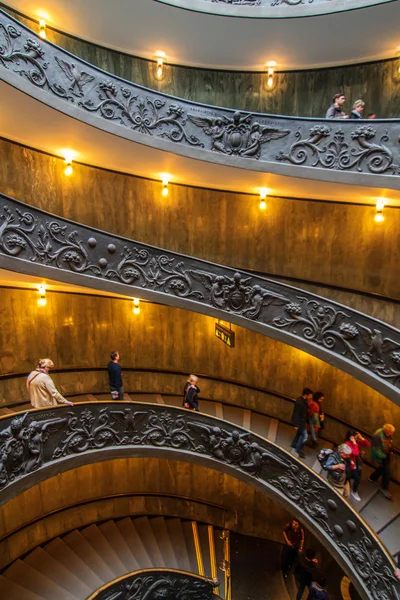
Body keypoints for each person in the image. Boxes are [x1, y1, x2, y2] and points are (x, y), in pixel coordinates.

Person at [369, 424, 395, 500]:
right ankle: (384, 488)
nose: (392, 434)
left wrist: (391, 449)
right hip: (381, 456)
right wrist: (384, 457)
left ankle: (372, 477)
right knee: (387, 472)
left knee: (382, 468)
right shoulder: (377, 436)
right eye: (391, 432)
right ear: (386, 430)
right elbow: (376, 450)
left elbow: (390, 442)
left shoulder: (388, 434)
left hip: (385, 454)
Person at [344, 429, 370, 502]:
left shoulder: (355, 441)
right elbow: (355, 453)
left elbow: (368, 445)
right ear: (350, 437)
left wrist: (361, 438)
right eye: (355, 437)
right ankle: (353, 491)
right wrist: (355, 442)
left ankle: (351, 489)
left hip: (356, 464)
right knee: (355, 478)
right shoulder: (347, 444)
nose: (356, 438)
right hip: (350, 465)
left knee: (357, 478)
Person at [290, 388, 313, 459]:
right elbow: (297, 414)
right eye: (310, 395)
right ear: (306, 395)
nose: (311, 397)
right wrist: (296, 425)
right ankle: (298, 448)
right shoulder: (300, 402)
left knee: (299, 433)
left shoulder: (303, 401)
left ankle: (294, 444)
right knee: (305, 436)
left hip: (302, 421)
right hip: (301, 422)